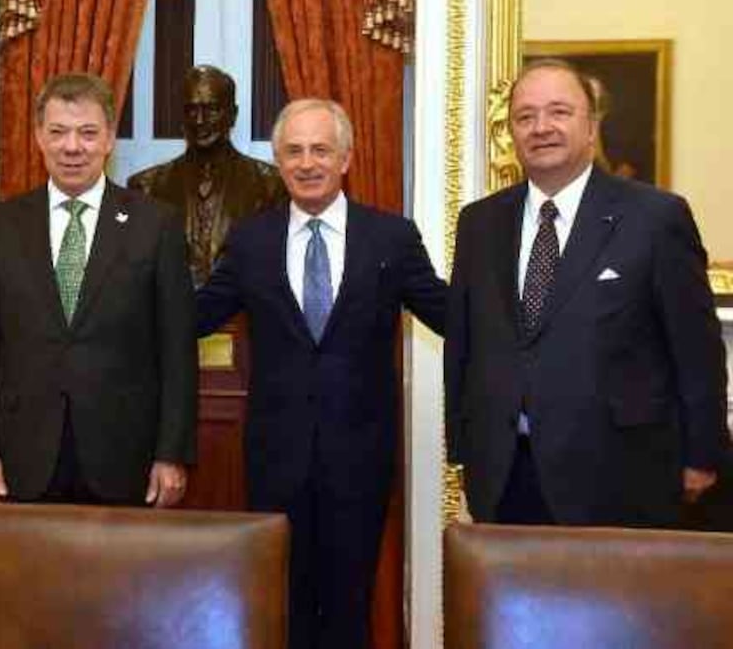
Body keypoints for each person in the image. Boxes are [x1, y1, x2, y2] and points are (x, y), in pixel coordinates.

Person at [196, 98, 445, 649]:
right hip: (274, 457)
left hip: (359, 458)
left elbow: (451, 316)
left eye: (320, 150)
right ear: (279, 161)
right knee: (281, 601)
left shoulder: (391, 239)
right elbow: (193, 317)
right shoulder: (251, 240)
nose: (307, 163)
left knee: (348, 605)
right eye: (293, 151)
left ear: (346, 158)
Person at [445, 59, 729, 527]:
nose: (541, 128)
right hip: (504, 473)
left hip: (620, 473)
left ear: (591, 127)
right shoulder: (480, 222)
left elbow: (696, 349)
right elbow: (465, 343)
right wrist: (462, 447)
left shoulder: (655, 218)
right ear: (511, 132)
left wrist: (703, 454)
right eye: (525, 116)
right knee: (507, 601)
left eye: (559, 112)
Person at [0, 72, 197, 508]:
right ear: (38, 137)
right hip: (22, 460)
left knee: (118, 578)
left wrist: (172, 454)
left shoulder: (155, 225)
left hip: (126, 459)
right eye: (59, 132)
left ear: (109, 140)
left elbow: (178, 352)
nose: (73, 147)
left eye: (88, 133)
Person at [129, 65, 283, 284]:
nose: (199, 120)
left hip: (241, 315)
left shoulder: (270, 184)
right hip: (172, 314)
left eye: (211, 109)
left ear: (232, 115)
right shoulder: (146, 186)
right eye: (191, 110)